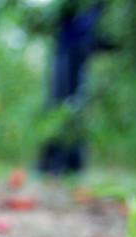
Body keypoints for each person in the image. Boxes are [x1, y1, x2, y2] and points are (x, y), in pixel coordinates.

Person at [38, 0, 110, 175]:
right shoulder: (74, 21)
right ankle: (54, 162)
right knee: (60, 113)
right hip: (65, 70)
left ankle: (70, 163)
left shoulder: (81, 25)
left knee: (72, 114)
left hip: (74, 74)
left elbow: (93, 41)